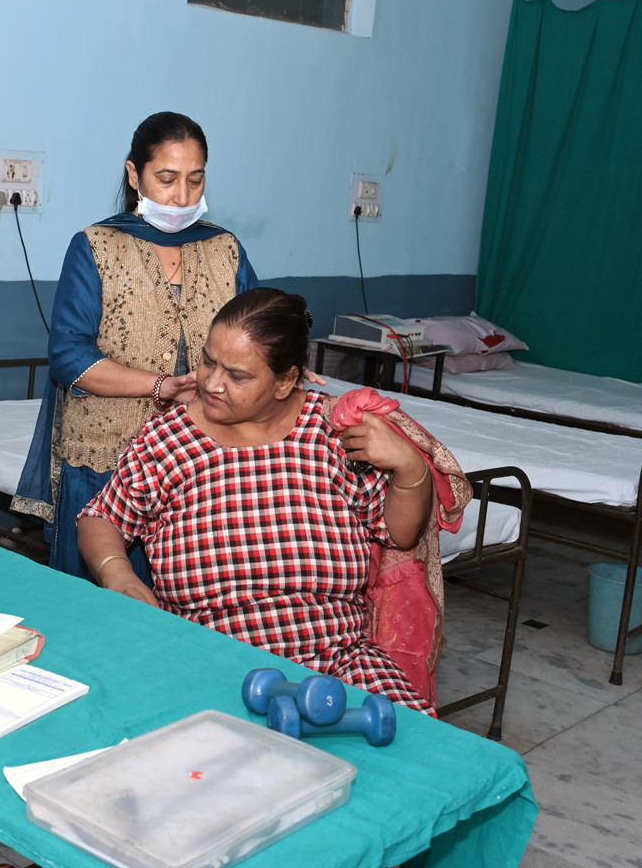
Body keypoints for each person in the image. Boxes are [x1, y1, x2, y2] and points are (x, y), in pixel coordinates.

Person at [75, 288, 437, 713]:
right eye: (208, 360)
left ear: (285, 380)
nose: (212, 383)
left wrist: (409, 467)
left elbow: (400, 534)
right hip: (210, 662)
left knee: (417, 744)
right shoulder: (168, 442)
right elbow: (100, 517)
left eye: (238, 375)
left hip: (341, 664)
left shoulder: (333, 433)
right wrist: (117, 574)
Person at [13, 111, 261, 580]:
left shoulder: (225, 249)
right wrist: (160, 386)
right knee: (102, 599)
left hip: (201, 465)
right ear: (134, 174)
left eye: (195, 179)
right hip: (106, 462)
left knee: (182, 602)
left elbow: (258, 335)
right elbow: (69, 357)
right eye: (166, 179)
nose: (182, 196)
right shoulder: (96, 247)